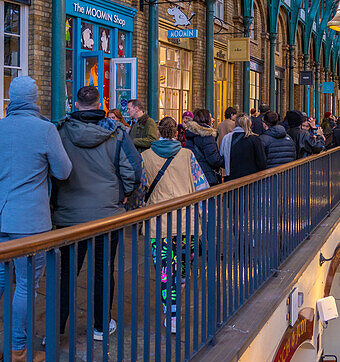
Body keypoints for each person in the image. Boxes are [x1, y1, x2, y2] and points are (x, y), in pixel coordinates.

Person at [57, 86, 142, 341]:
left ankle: (57, 328)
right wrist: (123, 194)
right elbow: (134, 170)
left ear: (76, 104)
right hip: (106, 214)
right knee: (103, 271)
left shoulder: (60, 131)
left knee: (66, 273)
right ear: (98, 103)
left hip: (69, 215)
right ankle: (100, 326)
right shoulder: (117, 134)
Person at [0, 77, 71, 362]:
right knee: (26, 284)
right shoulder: (45, 130)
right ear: (34, 98)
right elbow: (64, 171)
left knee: (3, 279)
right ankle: (17, 348)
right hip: (30, 221)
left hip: (2, 216)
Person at [142, 117, 209, 333]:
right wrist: (203, 212)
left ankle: (171, 313)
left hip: (158, 223)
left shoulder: (145, 157)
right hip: (186, 222)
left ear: (158, 132)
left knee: (164, 271)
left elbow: (141, 188)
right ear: (176, 133)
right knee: (182, 268)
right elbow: (201, 186)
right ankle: (177, 290)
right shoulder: (187, 155)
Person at [184, 108, 224, 185]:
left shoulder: (190, 134)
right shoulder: (207, 135)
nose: (213, 119)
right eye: (210, 117)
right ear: (205, 119)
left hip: (194, 175)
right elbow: (213, 159)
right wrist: (224, 161)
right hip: (206, 176)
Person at [226, 116, 267, 181]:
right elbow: (261, 161)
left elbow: (223, 155)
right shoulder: (254, 139)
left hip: (233, 176)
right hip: (251, 177)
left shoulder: (227, 138)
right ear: (249, 124)